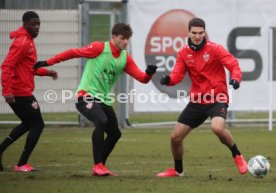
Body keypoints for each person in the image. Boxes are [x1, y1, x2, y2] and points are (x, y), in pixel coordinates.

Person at [33, 23, 158, 176]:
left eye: (128, 39)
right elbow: (73, 52)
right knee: (101, 121)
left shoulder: (125, 57)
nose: (125, 42)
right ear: (113, 37)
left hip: (103, 100)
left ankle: (100, 167)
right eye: (122, 38)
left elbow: (142, 79)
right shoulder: (99, 48)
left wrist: (149, 73)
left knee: (115, 134)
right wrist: (48, 62)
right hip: (85, 96)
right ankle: (98, 165)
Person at [156, 18, 247, 177]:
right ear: (188, 33)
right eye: (194, 33)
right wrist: (169, 80)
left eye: (200, 33)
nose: (197, 36)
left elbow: (233, 64)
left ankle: (237, 155)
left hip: (217, 97)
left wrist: (236, 78)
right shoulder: (184, 53)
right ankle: (178, 171)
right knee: (175, 137)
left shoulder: (215, 49)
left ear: (205, 33)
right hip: (197, 101)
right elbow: (177, 75)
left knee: (217, 128)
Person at [0, 11, 58, 172]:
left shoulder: (29, 40)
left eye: (38, 24)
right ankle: (22, 164)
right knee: (38, 124)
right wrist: (7, 91)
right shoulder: (23, 42)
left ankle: (2, 151)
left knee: (28, 123)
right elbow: (6, 66)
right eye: (33, 24)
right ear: (24, 24)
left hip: (21, 91)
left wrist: (47, 72)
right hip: (19, 92)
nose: (37, 27)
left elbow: (29, 68)